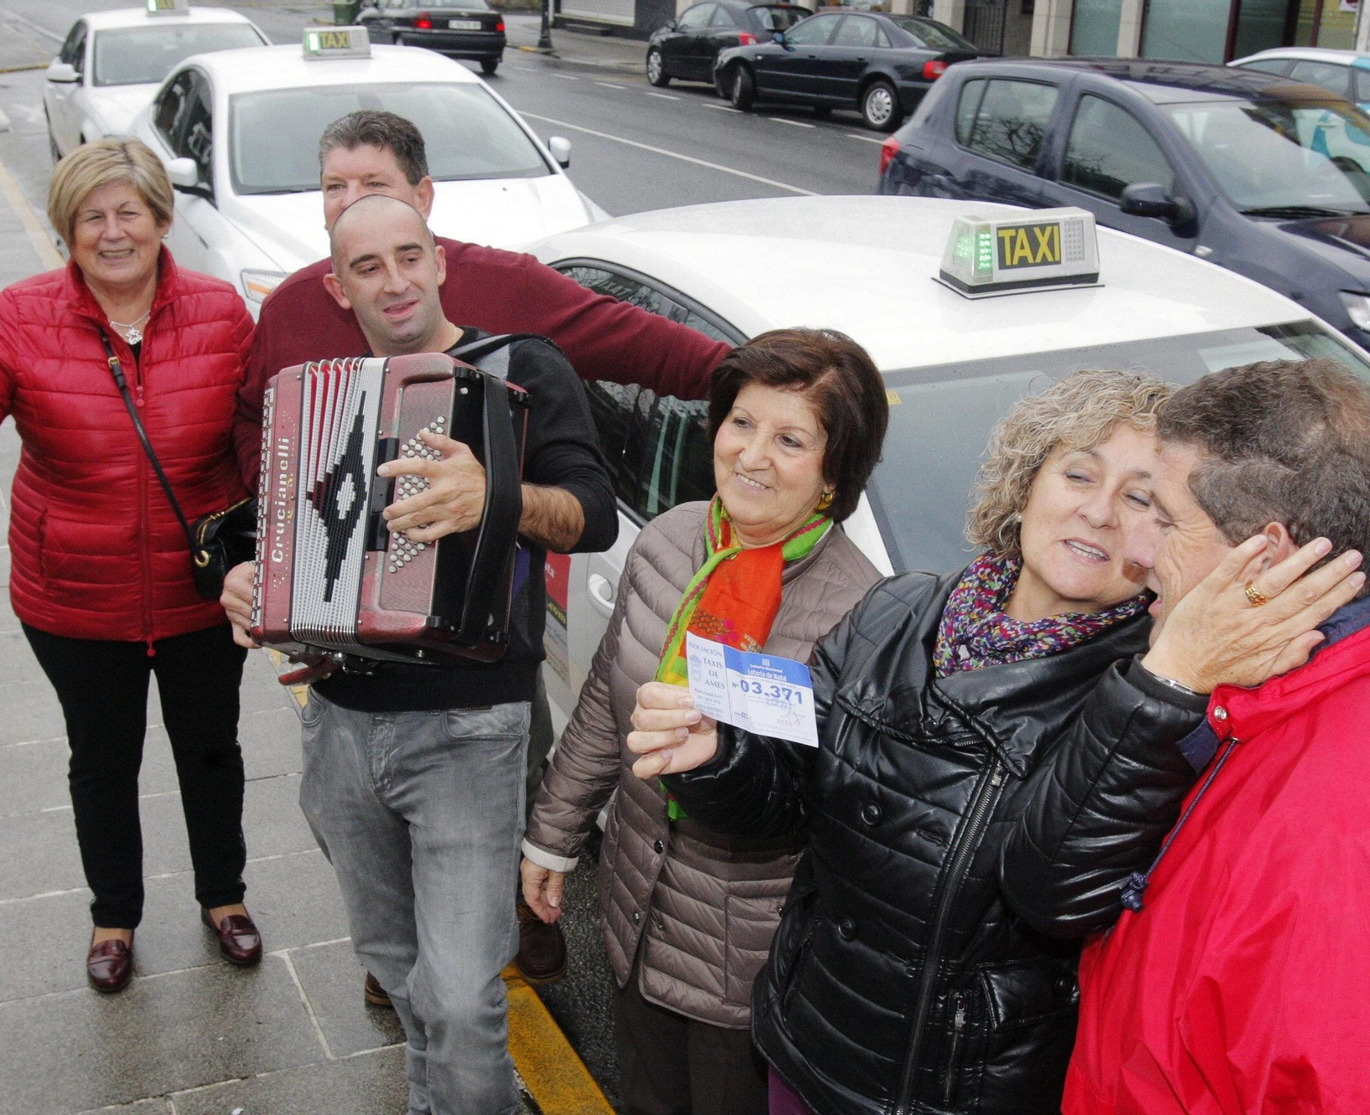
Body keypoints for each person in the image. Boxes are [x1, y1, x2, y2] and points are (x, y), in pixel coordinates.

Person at [624, 369, 1365, 1115]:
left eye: (1141, 498)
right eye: (1078, 472)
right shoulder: (899, 605)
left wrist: (1159, 690)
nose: (1100, 512)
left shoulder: (1160, 696)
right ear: (1026, 481)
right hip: (810, 1041)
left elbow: (1057, 893)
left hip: (958, 1093)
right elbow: (788, 792)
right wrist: (717, 758)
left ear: (1169, 530)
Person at [238, 108, 731, 994]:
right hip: (346, 695)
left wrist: (760, 376)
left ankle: (519, 944)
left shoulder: (513, 314)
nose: (356, 212)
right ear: (338, 276)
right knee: (392, 940)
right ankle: (421, 971)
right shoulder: (293, 313)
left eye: (377, 191)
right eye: (335, 193)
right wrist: (265, 578)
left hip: (478, 687)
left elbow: (631, 359)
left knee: (473, 954)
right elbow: (269, 461)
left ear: (427, 217)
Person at [1011, 358, 1370, 1115]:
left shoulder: (1347, 846)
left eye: (1165, 519)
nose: (1138, 553)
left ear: (1264, 557)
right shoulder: (1273, 698)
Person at [222, 193, 616, 1115]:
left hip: (472, 725)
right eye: (368, 266)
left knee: (462, 995)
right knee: (392, 964)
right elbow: (298, 551)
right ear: (337, 285)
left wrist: (498, 495)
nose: (394, 280)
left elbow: (593, 514)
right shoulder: (327, 396)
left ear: (439, 260)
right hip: (343, 724)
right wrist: (258, 591)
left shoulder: (524, 366)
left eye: (410, 255)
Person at [0, 139, 261, 993]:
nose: (112, 232)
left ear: (161, 220)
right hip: (72, 595)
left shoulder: (221, 313)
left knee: (210, 748)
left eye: (128, 212)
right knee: (102, 759)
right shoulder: (23, 317)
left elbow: (258, 444)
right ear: (66, 230)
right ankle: (114, 917)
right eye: (90, 216)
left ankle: (224, 897)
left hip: (200, 592)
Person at [520, 329, 890, 1115]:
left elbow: (837, 809)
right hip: (634, 913)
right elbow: (601, 707)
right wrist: (552, 833)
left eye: (791, 439)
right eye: (741, 423)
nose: (752, 456)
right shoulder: (667, 540)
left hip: (745, 959)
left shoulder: (861, 613)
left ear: (834, 473)